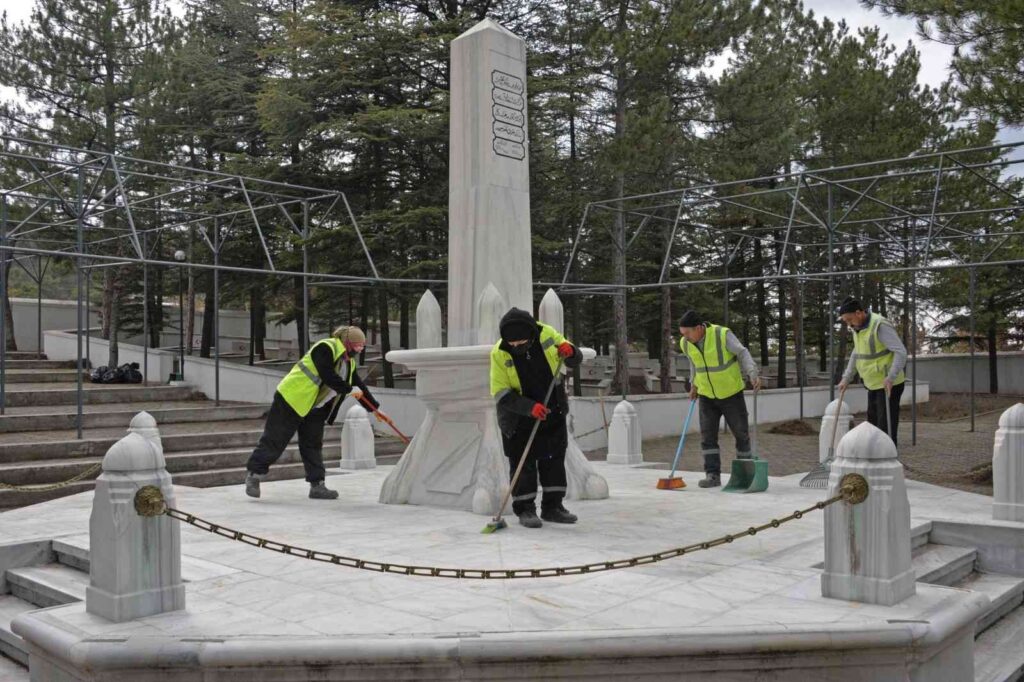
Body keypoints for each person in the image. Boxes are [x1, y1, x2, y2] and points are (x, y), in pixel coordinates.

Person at [245, 325, 380, 499]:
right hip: (291, 398)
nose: (360, 349)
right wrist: (347, 389)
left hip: (315, 407)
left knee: (313, 444)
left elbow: (359, 387)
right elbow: (327, 374)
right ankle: (254, 476)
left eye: (362, 346)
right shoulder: (326, 347)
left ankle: (317, 485)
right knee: (275, 439)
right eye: (357, 345)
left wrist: (374, 409)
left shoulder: (349, 363)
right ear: (347, 343)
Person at [490, 307, 582, 528]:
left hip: (552, 408)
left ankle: (553, 507)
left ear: (531, 336)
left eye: (521, 344)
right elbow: (500, 393)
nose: (516, 347)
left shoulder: (547, 334)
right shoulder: (499, 353)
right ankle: (525, 509)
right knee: (524, 464)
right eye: (513, 344)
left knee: (554, 459)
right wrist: (529, 408)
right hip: (518, 417)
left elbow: (571, 357)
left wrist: (571, 351)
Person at [678, 310, 761, 488]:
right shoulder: (686, 344)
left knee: (741, 434)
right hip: (707, 396)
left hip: (731, 394)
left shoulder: (721, 334)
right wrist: (694, 385)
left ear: (699, 328)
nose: (684, 337)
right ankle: (712, 475)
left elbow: (742, 353)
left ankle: (744, 474)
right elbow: (694, 364)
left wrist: (752, 373)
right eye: (682, 333)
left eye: (687, 333)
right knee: (707, 437)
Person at [836, 297, 907, 445]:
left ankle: (888, 458)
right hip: (872, 383)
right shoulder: (858, 328)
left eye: (849, 319)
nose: (848, 324)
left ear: (858, 313)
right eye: (846, 321)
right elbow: (857, 353)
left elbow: (901, 352)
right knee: (873, 424)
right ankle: (874, 457)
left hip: (888, 384)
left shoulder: (879, 325)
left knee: (885, 426)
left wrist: (891, 377)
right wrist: (846, 378)